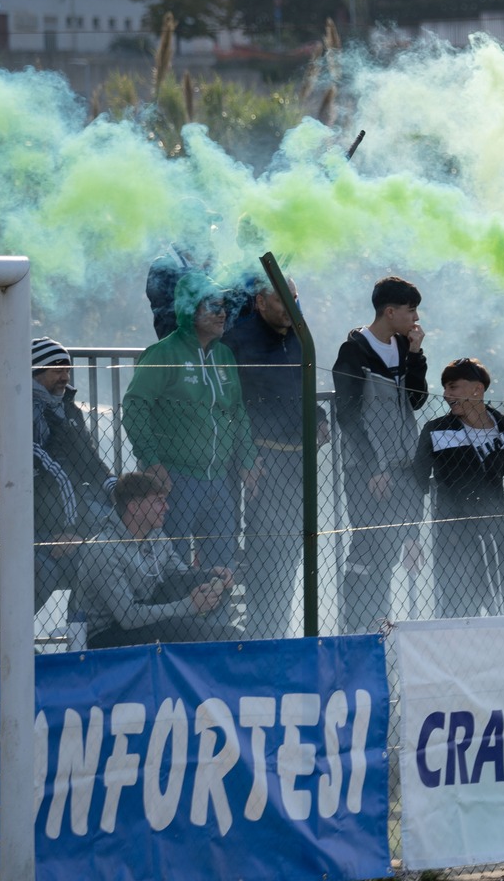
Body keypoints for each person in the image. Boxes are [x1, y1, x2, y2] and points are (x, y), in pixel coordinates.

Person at [122, 272, 255, 581]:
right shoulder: (163, 353)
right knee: (174, 567)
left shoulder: (224, 355)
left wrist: (247, 459)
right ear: (189, 310)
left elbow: (238, 412)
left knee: (222, 566)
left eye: (223, 306)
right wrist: (152, 461)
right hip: (173, 480)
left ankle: (219, 629)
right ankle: (175, 626)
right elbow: (134, 406)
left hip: (219, 480)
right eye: (212, 306)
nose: (222, 313)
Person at [220, 274, 326, 636]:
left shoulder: (299, 335)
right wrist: (246, 457)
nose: (289, 306)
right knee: (265, 551)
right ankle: (257, 634)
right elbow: (231, 405)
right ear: (261, 302)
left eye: (293, 297)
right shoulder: (237, 340)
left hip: (300, 462)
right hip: (260, 461)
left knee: (292, 549)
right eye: (281, 299)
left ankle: (279, 630)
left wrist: (321, 418)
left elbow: (303, 385)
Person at [332, 276, 430, 632]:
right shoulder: (353, 351)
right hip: (367, 469)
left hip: (403, 466)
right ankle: (355, 627)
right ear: (390, 311)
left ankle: (381, 629)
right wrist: (374, 467)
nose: (416, 317)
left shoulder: (406, 347)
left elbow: (416, 401)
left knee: (392, 551)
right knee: (369, 549)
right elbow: (347, 414)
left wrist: (416, 355)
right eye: (411, 310)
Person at [413, 359, 504, 618]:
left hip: (496, 535)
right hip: (453, 538)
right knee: (458, 614)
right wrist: (412, 537)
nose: (446, 395)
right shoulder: (435, 430)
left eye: (453, 387)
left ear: (477, 389)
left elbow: (496, 471)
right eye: (444, 388)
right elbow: (416, 483)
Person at [70, 472, 235, 649]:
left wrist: (212, 576)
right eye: (158, 501)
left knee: (223, 619)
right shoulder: (102, 549)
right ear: (134, 507)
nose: (167, 507)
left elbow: (181, 574)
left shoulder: (156, 536)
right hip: (107, 633)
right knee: (188, 630)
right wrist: (188, 605)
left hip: (150, 611)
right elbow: (128, 617)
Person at [30, 338, 117, 609]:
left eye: (67, 369)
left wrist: (115, 488)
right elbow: (49, 472)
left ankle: (83, 635)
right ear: (35, 371)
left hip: (75, 504)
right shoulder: (22, 410)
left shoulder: (68, 409)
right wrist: (66, 529)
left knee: (114, 542)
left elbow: (89, 458)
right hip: (40, 514)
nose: (65, 377)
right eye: (57, 370)